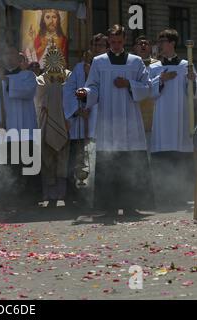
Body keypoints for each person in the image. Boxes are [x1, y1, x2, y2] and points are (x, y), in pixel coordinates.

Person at [76, 25, 154, 217]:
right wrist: (85, 93)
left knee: (131, 162)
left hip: (130, 120)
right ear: (108, 41)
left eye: (119, 42)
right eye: (112, 42)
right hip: (108, 119)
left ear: (125, 40)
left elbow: (147, 87)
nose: (116, 45)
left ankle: (131, 205)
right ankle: (109, 206)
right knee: (109, 162)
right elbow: (92, 86)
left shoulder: (135, 62)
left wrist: (129, 84)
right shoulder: (99, 61)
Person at [0, 45, 41, 209]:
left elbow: (28, 92)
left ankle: (29, 199)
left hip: (25, 131)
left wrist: (7, 81)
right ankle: (4, 199)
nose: (8, 57)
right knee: (6, 166)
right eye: (5, 53)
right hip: (4, 132)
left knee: (27, 165)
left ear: (19, 57)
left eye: (12, 53)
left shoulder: (28, 76)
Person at [149, 29, 197, 206]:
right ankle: (163, 195)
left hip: (180, 118)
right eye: (159, 41)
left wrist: (193, 80)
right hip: (161, 118)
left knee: (181, 154)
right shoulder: (154, 67)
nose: (159, 45)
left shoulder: (186, 65)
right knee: (162, 157)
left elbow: (193, 94)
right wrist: (160, 79)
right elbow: (149, 92)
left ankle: (182, 195)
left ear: (172, 43)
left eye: (162, 41)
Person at [63, 33, 108, 208]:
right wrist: (77, 110)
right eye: (95, 45)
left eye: (101, 45)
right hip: (82, 120)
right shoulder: (79, 68)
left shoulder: (108, 66)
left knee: (100, 159)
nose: (97, 48)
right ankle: (77, 196)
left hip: (101, 118)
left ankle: (99, 196)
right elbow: (69, 91)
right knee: (79, 160)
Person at [35, 51, 71, 205]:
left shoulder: (68, 76)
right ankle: (50, 195)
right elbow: (37, 97)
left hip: (65, 121)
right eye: (52, 59)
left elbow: (71, 95)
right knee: (47, 159)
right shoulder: (41, 79)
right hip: (46, 122)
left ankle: (61, 193)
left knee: (63, 159)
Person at [133, 35, 159, 151]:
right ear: (135, 48)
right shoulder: (130, 64)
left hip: (154, 114)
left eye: (146, 43)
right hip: (135, 113)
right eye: (140, 44)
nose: (143, 46)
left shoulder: (158, 65)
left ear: (150, 47)